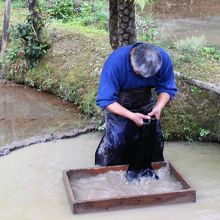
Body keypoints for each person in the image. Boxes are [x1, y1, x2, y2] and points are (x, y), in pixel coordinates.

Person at [95, 43, 177, 180]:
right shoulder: (115, 63)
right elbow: (106, 100)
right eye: (139, 74)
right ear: (131, 57)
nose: (143, 78)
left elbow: (167, 88)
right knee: (117, 140)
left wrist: (159, 106)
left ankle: (152, 170)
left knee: (154, 137)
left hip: (145, 101)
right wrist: (131, 116)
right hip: (119, 103)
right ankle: (109, 175)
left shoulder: (163, 58)